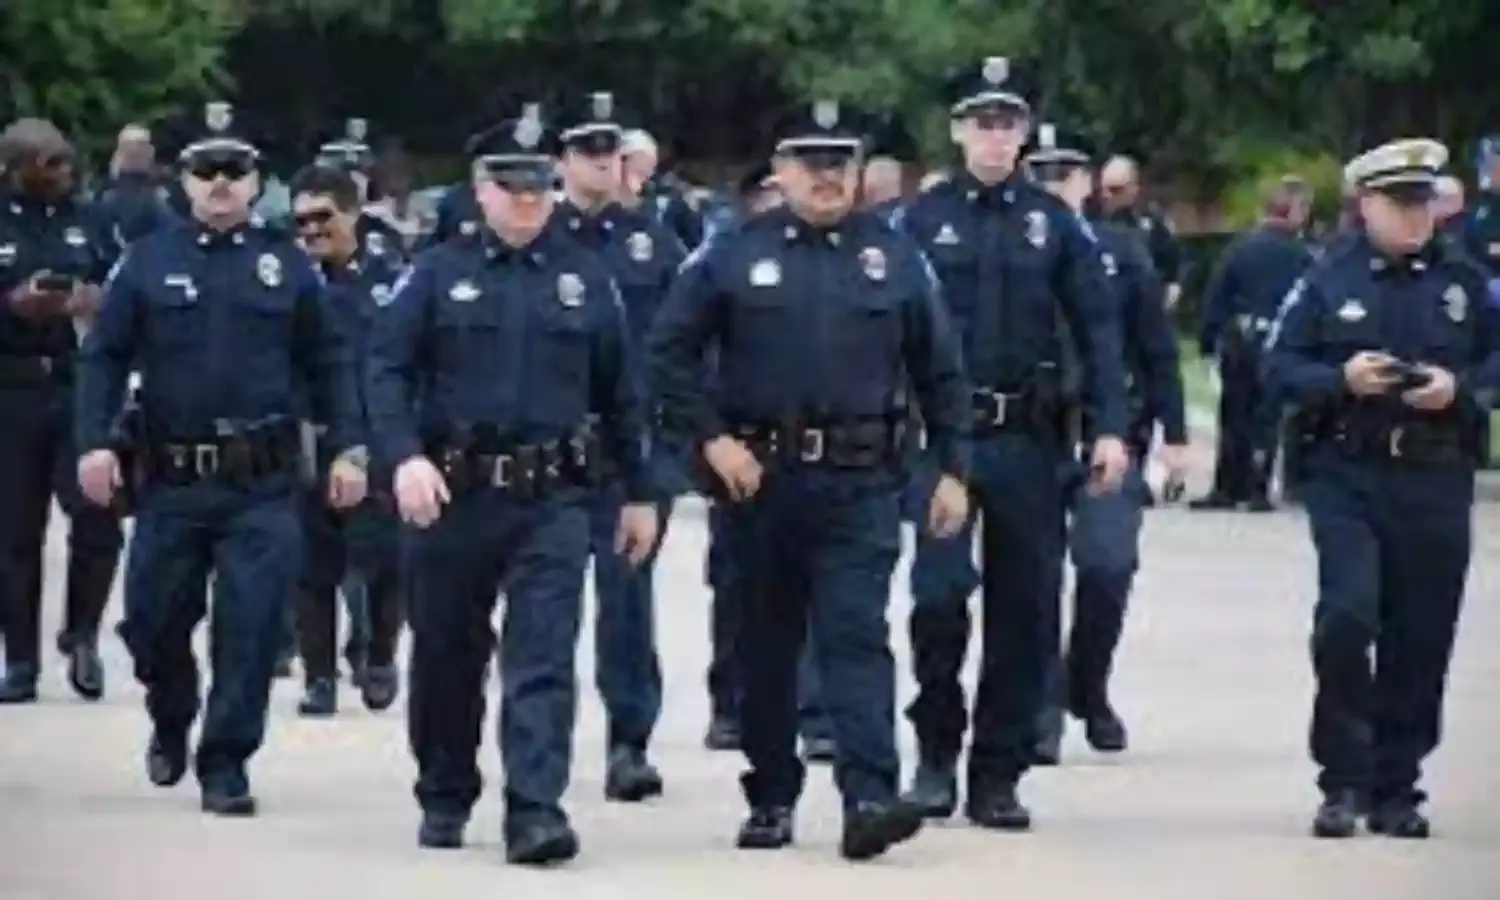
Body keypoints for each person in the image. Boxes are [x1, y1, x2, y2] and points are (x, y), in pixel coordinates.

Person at [647, 97, 972, 861]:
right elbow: (665, 358)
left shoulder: (895, 258)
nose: (828, 179)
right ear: (781, 172)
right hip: (760, 483)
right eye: (812, 165)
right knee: (766, 643)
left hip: (862, 480)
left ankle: (868, 795)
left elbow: (941, 370)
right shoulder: (730, 253)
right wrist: (713, 441)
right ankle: (771, 793)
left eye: (841, 165)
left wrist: (953, 468)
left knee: (857, 635)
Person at [363, 103, 657, 864]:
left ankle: (535, 807)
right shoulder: (435, 273)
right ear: (480, 190)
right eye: (509, 185)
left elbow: (621, 394)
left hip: (552, 499)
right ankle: (446, 787)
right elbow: (385, 371)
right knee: (447, 656)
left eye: (537, 186)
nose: (526, 200)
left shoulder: (587, 281)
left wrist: (640, 491)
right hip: (452, 496)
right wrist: (402, 457)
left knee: (543, 656)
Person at [74, 101, 366, 815]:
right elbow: (104, 358)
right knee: (152, 623)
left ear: (255, 180)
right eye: (207, 170)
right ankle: (172, 714)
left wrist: (348, 448)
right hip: (171, 478)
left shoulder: (288, 263)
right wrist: (93, 441)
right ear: (185, 182)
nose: (221, 182)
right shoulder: (146, 262)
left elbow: (330, 361)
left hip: (260, 482)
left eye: (235, 170)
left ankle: (226, 761)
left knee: (253, 624)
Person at [897, 56, 1131, 830]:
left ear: (1024, 134)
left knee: (1025, 610)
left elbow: (1099, 329)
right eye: (982, 122)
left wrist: (1110, 428)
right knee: (936, 599)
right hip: (943, 442)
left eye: (1009, 124)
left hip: (1030, 439)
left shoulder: (1055, 222)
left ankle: (997, 771)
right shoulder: (919, 222)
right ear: (959, 129)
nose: (996, 137)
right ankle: (935, 752)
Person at [1265, 138, 1496, 840]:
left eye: (1425, 201)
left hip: (1434, 473)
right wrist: (1341, 380)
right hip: (1350, 473)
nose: (1417, 216)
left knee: (1421, 634)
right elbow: (1278, 366)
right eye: (1401, 203)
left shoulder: (1464, 283)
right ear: (1365, 205)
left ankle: (1398, 785)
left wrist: (1461, 390)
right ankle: (1342, 777)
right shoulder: (1327, 282)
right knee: (1348, 617)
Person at [1023, 123, 1189, 763]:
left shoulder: (1121, 249)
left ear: (1087, 183)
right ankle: (1039, 706)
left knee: (1106, 565)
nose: (1054, 188)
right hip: (1036, 433)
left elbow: (1155, 347)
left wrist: (1174, 434)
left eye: (1065, 174)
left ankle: (1086, 686)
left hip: (1108, 433)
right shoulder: (1010, 248)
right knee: (1032, 579)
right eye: (1041, 175)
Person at [552, 90, 685, 802]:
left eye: (610, 152)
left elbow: (683, 345)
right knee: (546, 603)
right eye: (586, 152)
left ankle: (629, 741)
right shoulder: (536, 238)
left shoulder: (653, 244)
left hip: (627, 449)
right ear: (562, 162)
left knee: (627, 600)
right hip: (550, 452)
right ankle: (538, 743)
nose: (600, 164)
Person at [0, 118, 124, 704]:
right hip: (12, 389)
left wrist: (90, 301)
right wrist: (12, 305)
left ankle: (82, 636)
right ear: (16, 167)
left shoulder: (92, 218)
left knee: (97, 515)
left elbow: (123, 289)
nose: (62, 173)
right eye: (48, 164)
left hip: (78, 386)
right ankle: (19, 660)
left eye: (66, 162)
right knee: (14, 534)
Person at [286, 164, 405, 717]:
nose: (311, 230)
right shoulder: (284, 277)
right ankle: (318, 675)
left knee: (383, 559)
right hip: (308, 433)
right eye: (300, 219)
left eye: (322, 217)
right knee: (313, 564)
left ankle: (379, 654)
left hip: (375, 435)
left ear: (353, 215)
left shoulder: (390, 278)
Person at [1192, 176, 1315, 511]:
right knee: (1267, 418)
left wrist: (1207, 340)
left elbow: (1217, 295)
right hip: (1277, 344)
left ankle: (1227, 486)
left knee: (1234, 413)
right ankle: (1258, 487)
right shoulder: (1304, 256)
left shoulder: (1240, 248)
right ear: (1295, 211)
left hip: (1239, 339)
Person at [313, 118, 406, 261]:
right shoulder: (308, 229)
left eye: (360, 173)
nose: (353, 181)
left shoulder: (384, 234)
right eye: (344, 174)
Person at [1099, 154, 1183, 308]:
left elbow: (1171, 263)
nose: (1106, 195)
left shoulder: (1150, 221)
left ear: (1132, 189)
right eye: (1103, 189)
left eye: (1114, 189)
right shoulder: (1091, 220)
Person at [621, 128, 705, 248]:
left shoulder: (672, 198)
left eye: (643, 157)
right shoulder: (608, 199)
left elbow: (695, 242)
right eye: (625, 159)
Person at [1462, 145, 1500, 275]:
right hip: (1481, 272)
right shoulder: (1480, 203)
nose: (1495, 174)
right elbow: (1469, 239)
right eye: (1493, 169)